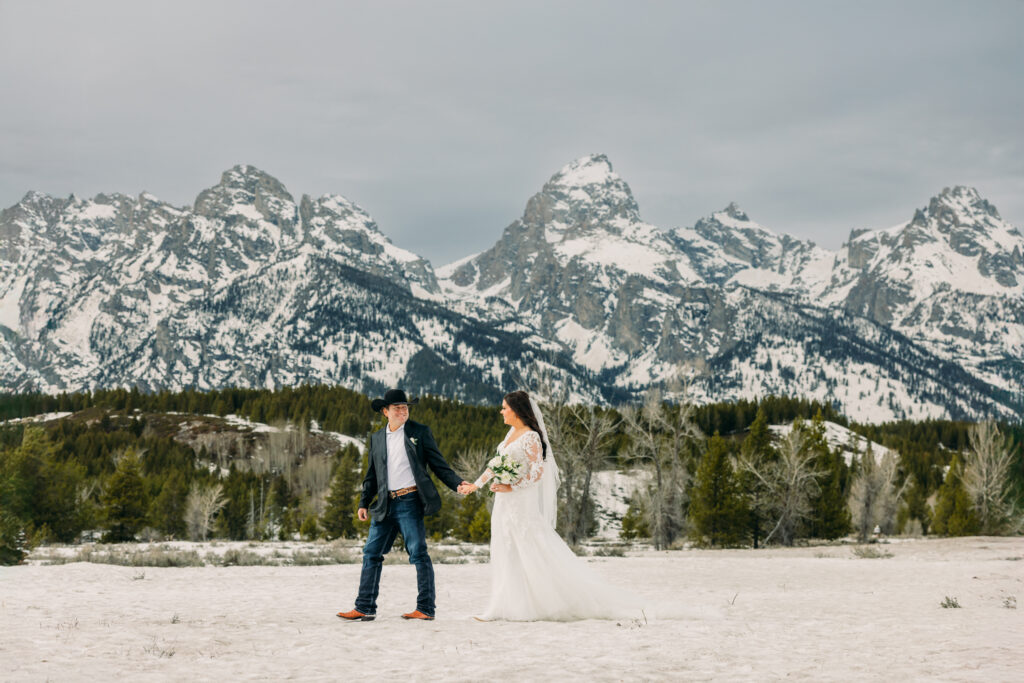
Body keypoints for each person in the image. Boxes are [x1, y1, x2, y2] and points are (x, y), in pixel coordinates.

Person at [461, 390, 641, 621]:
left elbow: (537, 472)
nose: (501, 411)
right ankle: (504, 606)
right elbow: (496, 465)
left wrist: (511, 486)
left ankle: (546, 603)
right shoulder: (510, 434)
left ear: (516, 411)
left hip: (521, 502)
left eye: (505, 408)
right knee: (506, 550)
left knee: (529, 549)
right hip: (504, 503)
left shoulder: (531, 437)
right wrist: (476, 485)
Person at [337, 389, 469, 622]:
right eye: (397, 408)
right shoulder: (377, 438)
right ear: (385, 412)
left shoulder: (420, 432)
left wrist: (457, 484)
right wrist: (363, 502)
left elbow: (439, 465)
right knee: (371, 553)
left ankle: (425, 608)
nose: (403, 411)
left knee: (418, 552)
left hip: (410, 501)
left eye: (405, 407)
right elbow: (372, 474)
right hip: (384, 503)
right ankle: (364, 606)